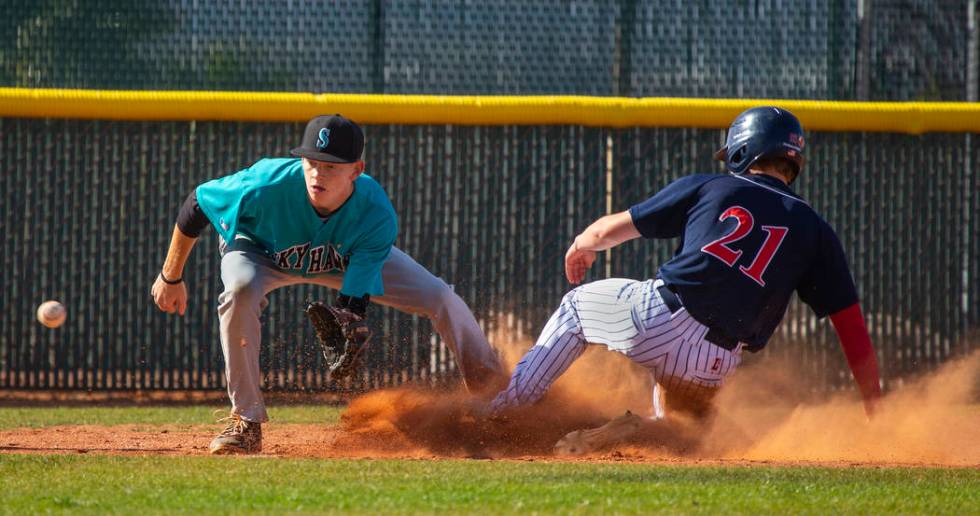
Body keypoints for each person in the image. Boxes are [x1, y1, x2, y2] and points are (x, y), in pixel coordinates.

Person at [480, 106, 881, 452]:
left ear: (743, 150)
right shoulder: (815, 230)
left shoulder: (713, 185)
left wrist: (582, 244)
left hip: (660, 316)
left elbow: (607, 232)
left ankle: (504, 412)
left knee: (575, 309)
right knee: (680, 433)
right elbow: (851, 326)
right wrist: (875, 405)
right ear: (793, 161)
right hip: (715, 360)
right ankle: (634, 429)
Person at [151, 114, 504, 454]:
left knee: (440, 296)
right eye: (312, 162)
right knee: (240, 290)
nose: (318, 173)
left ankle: (499, 398)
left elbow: (353, 300)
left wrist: (349, 318)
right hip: (258, 248)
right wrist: (171, 276)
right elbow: (197, 203)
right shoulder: (263, 184)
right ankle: (245, 421)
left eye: (331, 166)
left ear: (357, 170)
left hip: (339, 259)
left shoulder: (375, 212)